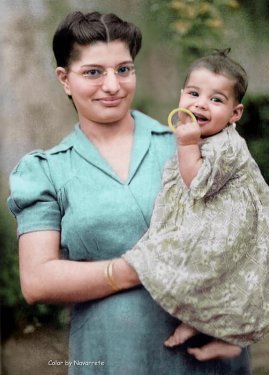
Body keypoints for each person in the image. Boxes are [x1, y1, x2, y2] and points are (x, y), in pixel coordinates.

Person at [7, 11, 252, 374]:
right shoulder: (45, 170)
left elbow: (245, 239)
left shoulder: (191, 147)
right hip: (113, 356)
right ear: (65, 79)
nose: (113, 86)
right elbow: (37, 281)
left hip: (206, 354)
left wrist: (242, 320)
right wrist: (136, 269)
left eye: (124, 69)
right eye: (94, 72)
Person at [123, 50, 269, 348]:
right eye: (194, 93)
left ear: (234, 114)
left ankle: (209, 326)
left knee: (201, 263)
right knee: (198, 266)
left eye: (216, 99)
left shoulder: (226, 146)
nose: (201, 104)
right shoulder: (206, 137)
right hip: (215, 214)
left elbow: (198, 183)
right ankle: (198, 320)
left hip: (231, 227)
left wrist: (187, 144)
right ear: (181, 95)